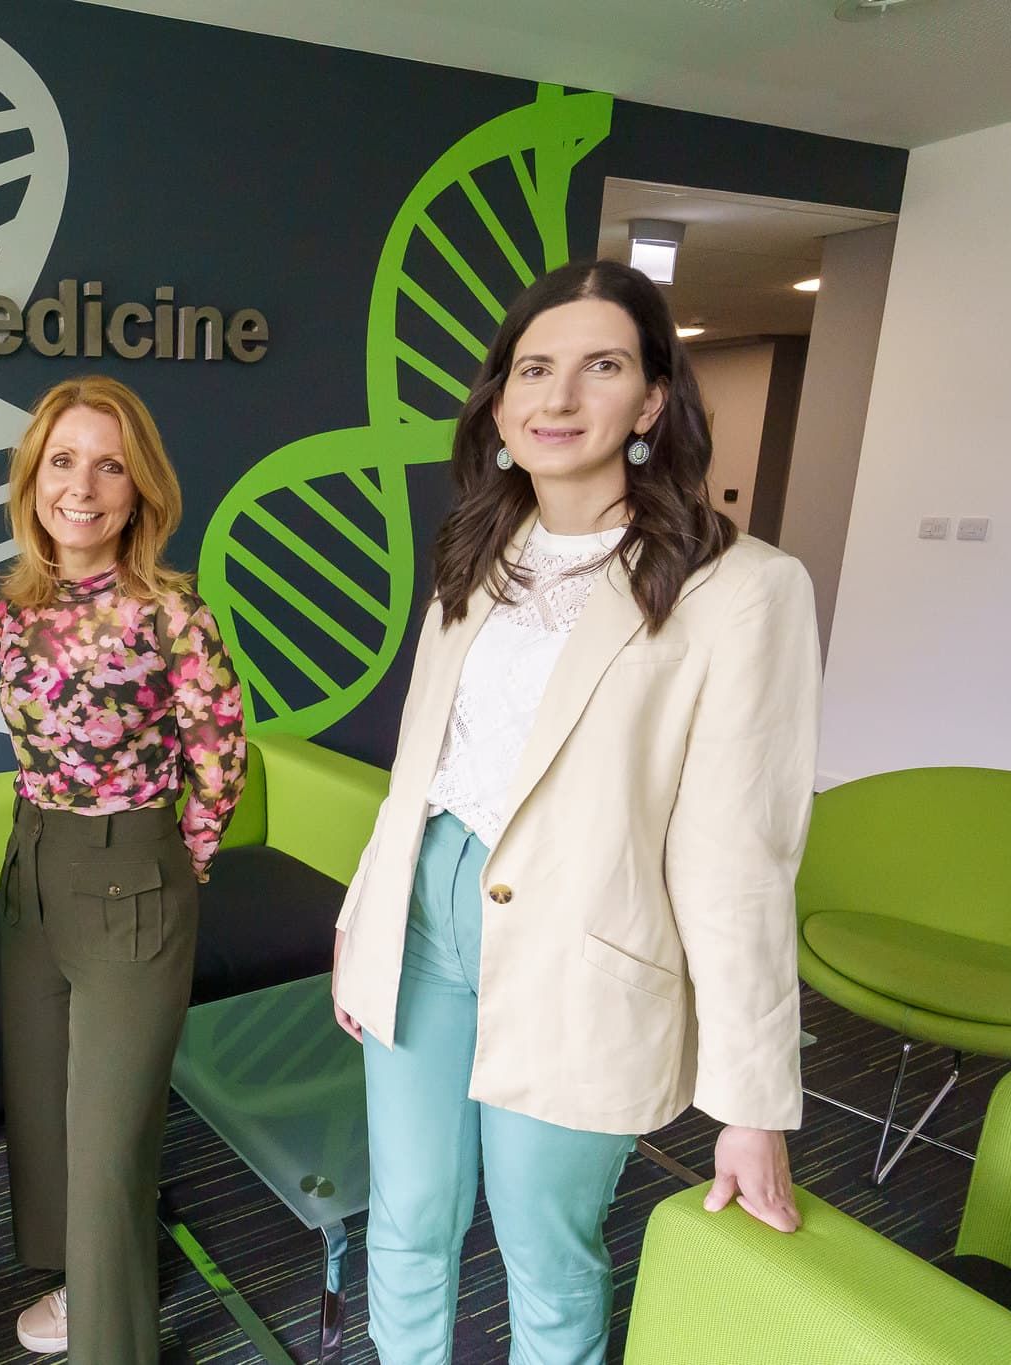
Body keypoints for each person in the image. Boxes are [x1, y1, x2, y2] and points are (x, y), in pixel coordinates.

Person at [331, 258, 819, 1365]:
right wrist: (364, 916)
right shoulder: (474, 551)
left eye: (598, 367)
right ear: (500, 400)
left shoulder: (740, 588)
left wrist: (751, 1102)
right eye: (532, 370)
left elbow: (741, 856)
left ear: (650, 401)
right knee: (405, 1221)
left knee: (542, 1250)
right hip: (419, 924)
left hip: (582, 954)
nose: (556, 398)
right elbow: (421, 763)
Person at [0, 375, 247, 1362]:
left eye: (109, 464)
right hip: (30, 865)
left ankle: (115, 1345)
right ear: (33, 479)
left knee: (106, 1149)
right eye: (62, 460)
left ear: (139, 488)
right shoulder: (14, 608)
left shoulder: (170, 613)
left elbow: (219, 755)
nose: (82, 485)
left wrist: (163, 859)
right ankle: (77, 1287)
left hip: (130, 869)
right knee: (44, 1108)